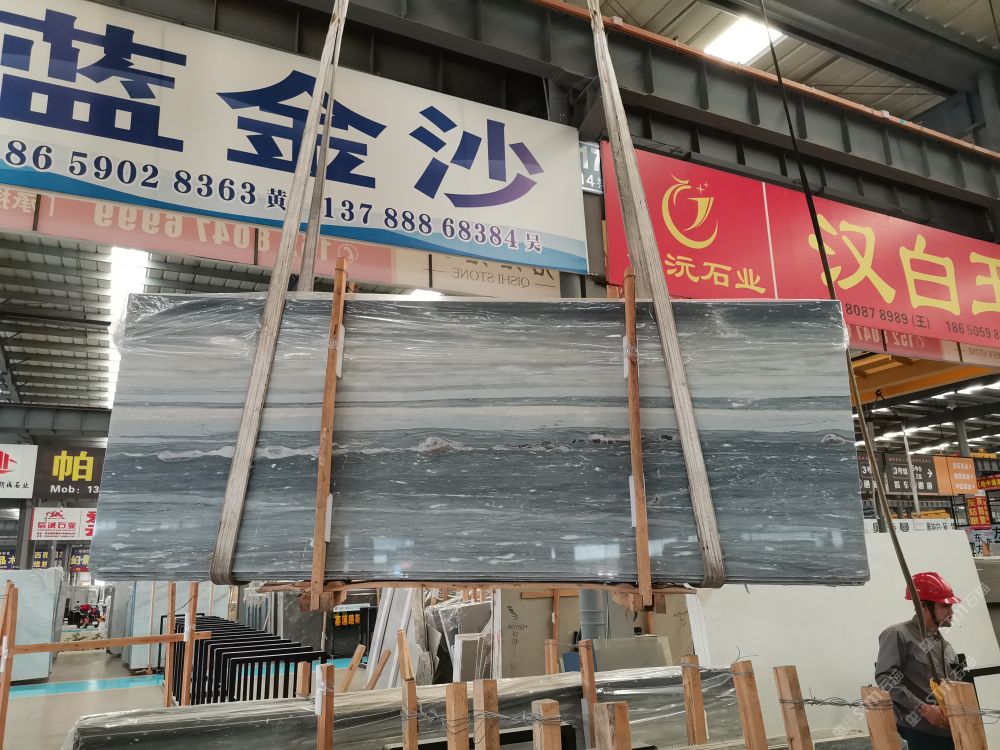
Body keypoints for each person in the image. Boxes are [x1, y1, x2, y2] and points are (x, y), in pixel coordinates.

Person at [875, 571, 963, 750]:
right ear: (923, 606)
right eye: (945, 606)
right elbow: (885, 679)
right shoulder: (898, 635)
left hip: (950, 733)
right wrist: (924, 709)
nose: (951, 612)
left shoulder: (944, 645)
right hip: (917, 733)